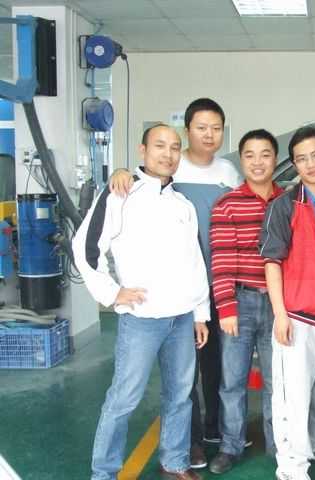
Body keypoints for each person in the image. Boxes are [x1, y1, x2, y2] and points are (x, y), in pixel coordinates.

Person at [109, 98, 242, 468]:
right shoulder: (170, 166)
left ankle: (215, 429)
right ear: (188, 131)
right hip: (181, 291)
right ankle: (193, 440)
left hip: (218, 283)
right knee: (185, 374)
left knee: (218, 363)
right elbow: (140, 182)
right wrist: (119, 171)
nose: (209, 135)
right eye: (201, 127)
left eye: (216, 128)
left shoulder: (228, 171)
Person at [73, 124, 209, 480]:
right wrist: (112, 293)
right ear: (142, 150)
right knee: (124, 399)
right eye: (160, 145)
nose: (168, 154)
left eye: (175, 147)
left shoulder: (182, 204)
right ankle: (104, 473)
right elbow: (85, 249)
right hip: (141, 319)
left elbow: (194, 261)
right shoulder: (121, 193)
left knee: (179, 396)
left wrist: (200, 312)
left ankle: (174, 463)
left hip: (181, 318)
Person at [259, 126, 315, 480]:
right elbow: (272, 262)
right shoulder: (284, 206)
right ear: (295, 165)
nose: (310, 164)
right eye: (301, 159)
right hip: (297, 318)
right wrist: (280, 315)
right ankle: (292, 465)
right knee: (292, 398)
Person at [207, 129, 283, 474]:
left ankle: (279, 444)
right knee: (233, 381)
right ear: (241, 160)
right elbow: (222, 260)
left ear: (275, 159)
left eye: (265, 154)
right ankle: (231, 446)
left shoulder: (288, 201)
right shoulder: (228, 204)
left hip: (279, 306)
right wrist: (226, 307)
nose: (257, 162)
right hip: (240, 302)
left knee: (277, 381)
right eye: (249, 155)